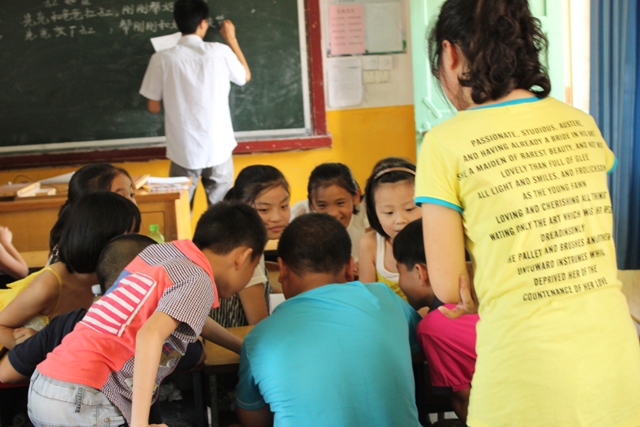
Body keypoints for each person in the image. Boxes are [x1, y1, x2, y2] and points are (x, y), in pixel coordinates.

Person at [415, 1, 640, 425]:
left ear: (450, 53)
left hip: (525, 368)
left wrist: (494, 275)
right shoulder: (580, 122)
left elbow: (447, 285)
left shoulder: (444, 142)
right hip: (615, 359)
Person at [27, 201, 266, 427]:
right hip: (89, 395)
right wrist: (140, 423)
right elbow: (150, 334)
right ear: (242, 258)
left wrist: (240, 347)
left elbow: (186, 316)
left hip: (48, 384)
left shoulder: (162, 254)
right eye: (253, 267)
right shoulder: (199, 279)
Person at [235, 213, 422, 427]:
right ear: (349, 267)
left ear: (282, 269)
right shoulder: (385, 299)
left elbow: (254, 421)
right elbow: (419, 348)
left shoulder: (259, 338)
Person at [139, 0, 251, 209]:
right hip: (218, 146)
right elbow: (244, 76)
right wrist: (231, 39)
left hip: (184, 149)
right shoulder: (220, 51)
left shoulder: (161, 59)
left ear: (177, 23)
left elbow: (153, 107)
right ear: (203, 23)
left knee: (179, 213)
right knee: (222, 213)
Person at [0, 192, 141, 350]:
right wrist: (35, 346)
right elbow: (1, 325)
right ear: (99, 236)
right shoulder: (50, 284)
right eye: (129, 237)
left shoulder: (115, 275)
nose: (135, 244)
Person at [393, 219, 477, 424]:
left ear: (420, 273)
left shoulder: (433, 328)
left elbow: (464, 400)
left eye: (399, 272)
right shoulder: (490, 297)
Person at [214, 165, 291, 327]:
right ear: (242, 209)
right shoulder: (245, 252)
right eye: (264, 210)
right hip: (232, 339)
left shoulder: (246, 238)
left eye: (284, 206)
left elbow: (262, 290)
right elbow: (260, 324)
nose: (277, 217)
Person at [359, 157, 422, 299]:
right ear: (374, 212)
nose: (400, 220)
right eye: (388, 212)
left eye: (409, 209)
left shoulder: (435, 240)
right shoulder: (370, 245)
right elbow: (367, 299)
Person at [290, 162, 369, 275]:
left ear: (356, 197)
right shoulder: (301, 215)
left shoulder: (367, 213)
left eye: (340, 203)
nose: (333, 213)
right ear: (311, 204)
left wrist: (365, 264)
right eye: (322, 205)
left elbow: (378, 251)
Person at [49, 163, 137, 261]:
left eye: (131, 194)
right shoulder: (86, 253)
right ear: (92, 207)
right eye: (121, 197)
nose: (132, 203)